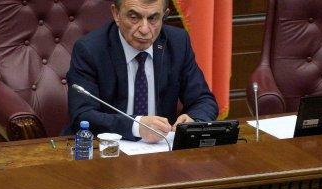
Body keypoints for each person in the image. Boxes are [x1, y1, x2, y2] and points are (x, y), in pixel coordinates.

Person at [65, 0, 219, 144]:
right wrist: (136, 126)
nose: (145, 29)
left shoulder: (178, 42)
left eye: (153, 18)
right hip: (106, 149)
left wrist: (194, 119)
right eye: (134, 17)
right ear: (116, 14)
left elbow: (204, 100)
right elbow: (82, 115)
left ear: (164, 15)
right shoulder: (90, 50)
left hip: (161, 150)